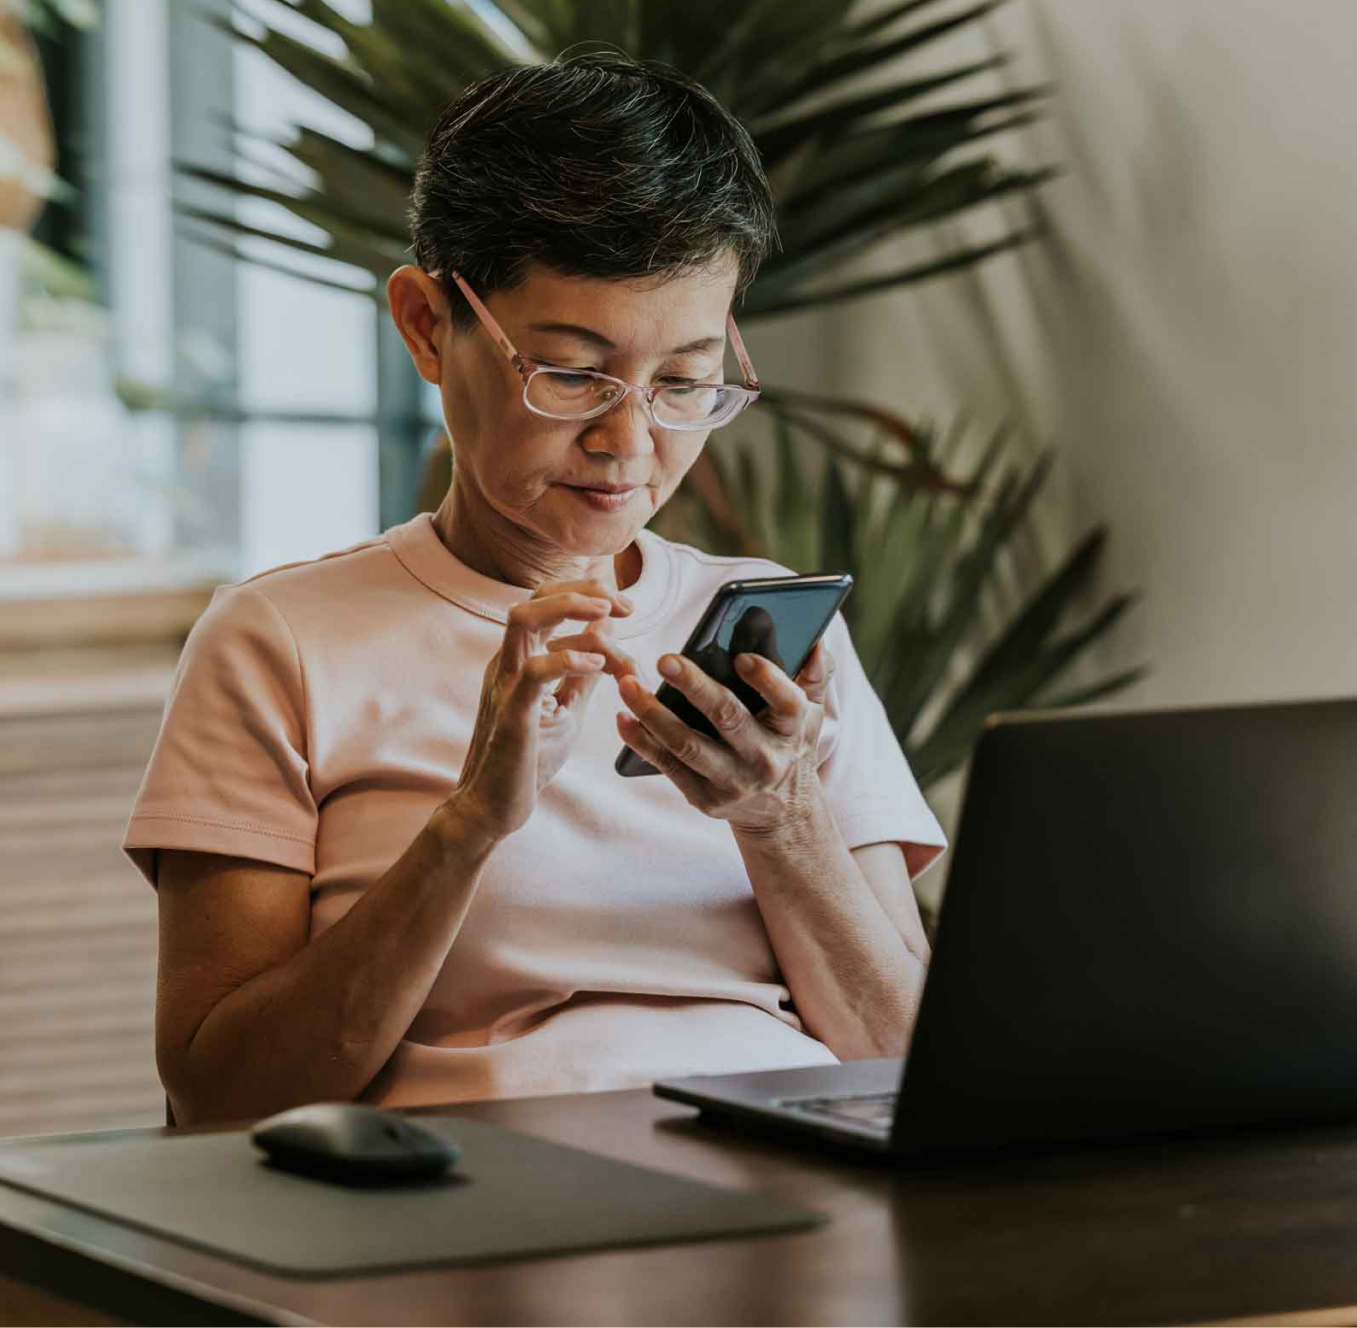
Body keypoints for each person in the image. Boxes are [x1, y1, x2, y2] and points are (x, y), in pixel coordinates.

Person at [126, 54, 946, 1127]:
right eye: (569, 373)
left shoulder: (774, 632)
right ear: (427, 324)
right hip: (472, 1212)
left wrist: (778, 815)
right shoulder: (278, 640)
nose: (630, 442)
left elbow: (906, 1062)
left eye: (686, 382)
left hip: (778, 1196)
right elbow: (221, 1092)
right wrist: (469, 822)